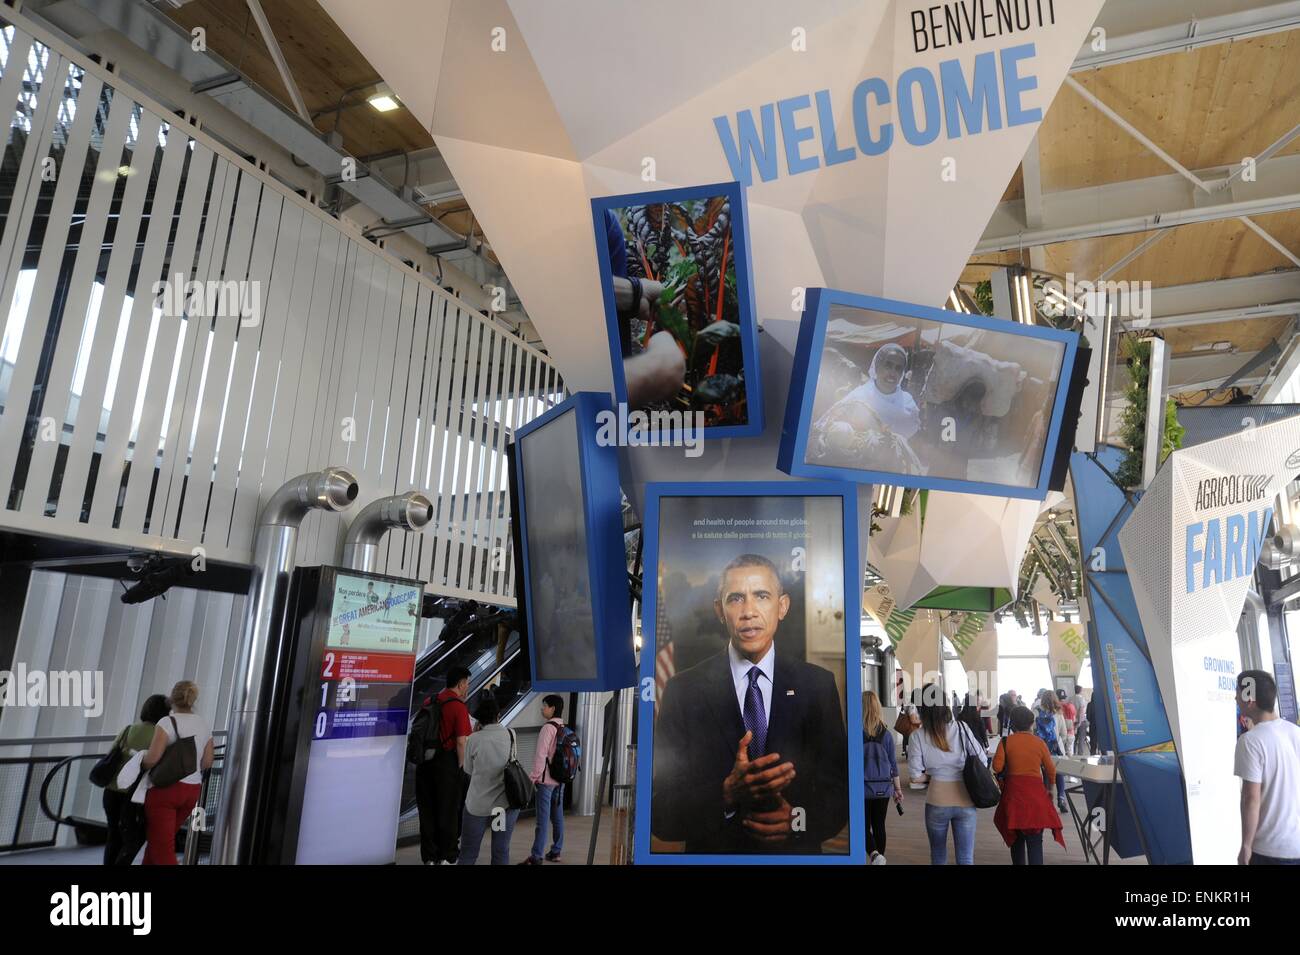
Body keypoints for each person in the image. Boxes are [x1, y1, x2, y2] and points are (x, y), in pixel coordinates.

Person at [652, 553, 849, 853]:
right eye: (735, 599)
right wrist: (727, 793)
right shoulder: (683, 691)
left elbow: (840, 794)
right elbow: (661, 813)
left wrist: (796, 821)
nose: (748, 611)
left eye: (761, 595)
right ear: (719, 610)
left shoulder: (817, 686)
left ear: (782, 606)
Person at [908, 683, 987, 865]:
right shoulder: (962, 728)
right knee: (966, 858)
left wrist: (931, 776)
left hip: (937, 801)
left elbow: (915, 776)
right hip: (966, 799)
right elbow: (982, 760)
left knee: (938, 856)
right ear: (946, 704)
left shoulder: (917, 736)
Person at [139, 681, 213, 865]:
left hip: (165, 791)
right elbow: (207, 762)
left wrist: (139, 760)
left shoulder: (166, 722)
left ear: (172, 698)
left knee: (162, 849)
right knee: (158, 842)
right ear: (193, 699)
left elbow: (153, 758)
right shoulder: (203, 724)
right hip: (191, 791)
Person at [1234, 670, 1300, 865]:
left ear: (1249, 699)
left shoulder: (1250, 741)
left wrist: (1246, 846)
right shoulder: (1295, 732)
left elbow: (1251, 799)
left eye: (1238, 693)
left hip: (1269, 849)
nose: (1235, 697)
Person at [414, 665, 473, 864]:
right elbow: (461, 741)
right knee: (448, 812)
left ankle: (429, 858)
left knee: (427, 811)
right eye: (467, 683)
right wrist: (461, 766)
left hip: (425, 764)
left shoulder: (430, 700)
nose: (468, 687)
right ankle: (447, 856)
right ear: (461, 683)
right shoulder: (458, 706)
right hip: (446, 766)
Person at [991, 705, 1065, 864]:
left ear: (1013, 724)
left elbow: (996, 767)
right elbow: (1051, 770)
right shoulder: (1039, 743)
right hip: (1036, 798)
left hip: (1014, 798)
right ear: (1032, 723)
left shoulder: (1006, 742)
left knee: (1016, 841)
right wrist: (1050, 790)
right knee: (1035, 841)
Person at [102, 693, 170, 866]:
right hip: (133, 795)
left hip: (111, 791)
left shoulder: (128, 729)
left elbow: (111, 752)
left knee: (113, 835)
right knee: (134, 837)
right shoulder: (161, 735)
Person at [458, 694, 520, 865]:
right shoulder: (511, 734)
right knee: (500, 851)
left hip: (477, 806)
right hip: (503, 806)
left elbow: (468, 769)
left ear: (479, 720)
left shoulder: (474, 739)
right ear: (498, 716)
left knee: (469, 852)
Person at [521, 693, 567, 865]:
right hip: (560, 781)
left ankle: (536, 855)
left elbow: (540, 755)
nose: (542, 708)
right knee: (558, 817)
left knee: (542, 820)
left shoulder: (548, 728)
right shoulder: (563, 726)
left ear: (552, 708)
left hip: (546, 781)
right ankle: (556, 852)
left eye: (545, 705)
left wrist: (533, 778)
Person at [862, 691, 901, 865]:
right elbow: (893, 765)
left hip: (861, 787)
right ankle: (879, 858)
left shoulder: (854, 733)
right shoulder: (886, 735)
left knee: (862, 826)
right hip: (882, 789)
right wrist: (898, 790)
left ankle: (874, 854)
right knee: (879, 825)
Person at [1034, 690, 1069, 812]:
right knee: (1059, 774)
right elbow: (1064, 734)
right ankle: (1061, 798)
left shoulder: (1037, 713)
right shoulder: (1059, 714)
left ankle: (1046, 802)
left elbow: (1033, 731)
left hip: (1042, 750)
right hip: (1056, 750)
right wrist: (1058, 741)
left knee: (1045, 776)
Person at [1058, 689, 1077, 759]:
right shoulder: (1071, 706)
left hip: (1060, 734)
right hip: (1070, 732)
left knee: (1061, 754)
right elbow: (1074, 719)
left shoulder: (1056, 707)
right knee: (1070, 752)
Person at [1072, 685, 1088, 756]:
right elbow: (1081, 711)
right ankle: (1080, 756)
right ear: (1080, 691)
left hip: (1073, 722)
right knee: (1081, 740)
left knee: (1074, 740)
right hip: (1081, 722)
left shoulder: (1070, 699)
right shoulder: (1081, 699)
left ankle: (1073, 754)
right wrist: (1080, 722)